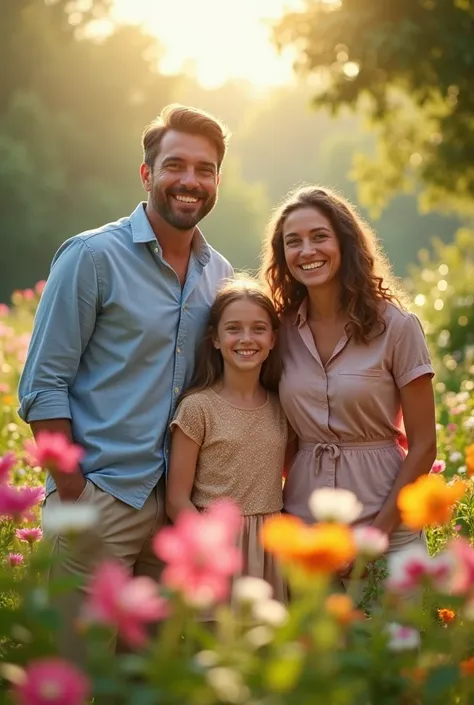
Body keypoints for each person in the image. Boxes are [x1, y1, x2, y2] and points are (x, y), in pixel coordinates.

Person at [17, 104, 234, 662]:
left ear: (216, 181)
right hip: (100, 499)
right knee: (75, 672)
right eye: (175, 166)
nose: (190, 181)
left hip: (178, 512)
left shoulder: (221, 275)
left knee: (145, 681)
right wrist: (76, 497)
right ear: (147, 174)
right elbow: (43, 386)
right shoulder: (91, 256)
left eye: (205, 170)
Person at [260, 185, 437, 590]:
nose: (307, 250)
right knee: (315, 651)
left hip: (387, 525)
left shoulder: (397, 327)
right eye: (293, 242)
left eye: (319, 236)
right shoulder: (280, 331)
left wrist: (375, 537)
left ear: (344, 242)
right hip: (308, 529)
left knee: (391, 652)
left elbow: (425, 445)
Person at [166, 278, 289, 604]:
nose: (246, 339)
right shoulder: (198, 407)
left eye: (259, 329)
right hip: (215, 551)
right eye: (233, 329)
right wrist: (213, 550)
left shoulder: (282, 406)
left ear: (273, 339)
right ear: (216, 339)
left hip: (269, 551)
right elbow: (176, 500)